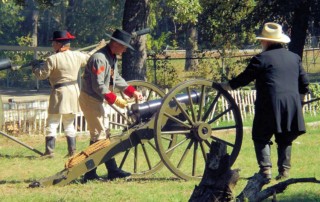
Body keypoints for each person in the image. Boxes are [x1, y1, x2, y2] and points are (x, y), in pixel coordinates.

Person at [219, 22, 309, 181]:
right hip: (291, 104)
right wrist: (299, 105)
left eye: (262, 40)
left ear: (266, 41)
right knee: (285, 137)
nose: (261, 43)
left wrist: (227, 86)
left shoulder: (261, 59)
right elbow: (304, 84)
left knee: (260, 136)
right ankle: (284, 170)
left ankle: (266, 170)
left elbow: (244, 78)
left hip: (269, 104)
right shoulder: (294, 58)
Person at [80, 29, 143, 182]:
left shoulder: (111, 56)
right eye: (124, 46)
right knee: (100, 136)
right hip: (90, 98)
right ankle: (91, 173)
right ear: (115, 44)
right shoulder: (99, 58)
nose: (125, 49)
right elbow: (99, 86)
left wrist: (131, 92)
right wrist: (115, 99)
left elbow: (116, 77)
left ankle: (109, 170)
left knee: (102, 135)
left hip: (96, 99)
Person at [32, 30, 105, 158]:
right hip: (73, 91)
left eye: (54, 43)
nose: (53, 45)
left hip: (59, 93)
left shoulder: (52, 59)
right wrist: (98, 48)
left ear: (59, 44)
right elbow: (89, 57)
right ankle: (72, 151)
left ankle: (50, 151)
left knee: (52, 122)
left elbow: (41, 75)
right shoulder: (76, 56)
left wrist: (35, 67)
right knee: (69, 122)